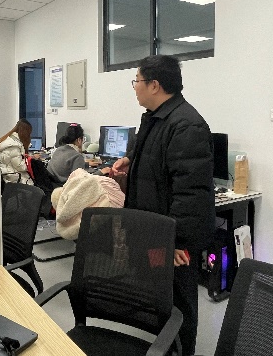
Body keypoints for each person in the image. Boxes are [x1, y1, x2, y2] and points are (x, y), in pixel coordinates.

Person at [111, 55, 216, 356]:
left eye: (137, 81)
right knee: (158, 295)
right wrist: (130, 160)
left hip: (172, 241)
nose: (134, 87)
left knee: (178, 303)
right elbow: (153, 155)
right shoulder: (156, 117)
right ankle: (163, 346)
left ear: (154, 85)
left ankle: (181, 352)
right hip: (153, 232)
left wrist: (176, 243)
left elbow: (191, 194)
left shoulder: (187, 126)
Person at [0, 119, 33, 185]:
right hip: (14, 177)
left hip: (10, 175)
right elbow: (20, 166)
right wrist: (32, 161)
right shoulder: (13, 146)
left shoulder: (10, 140)